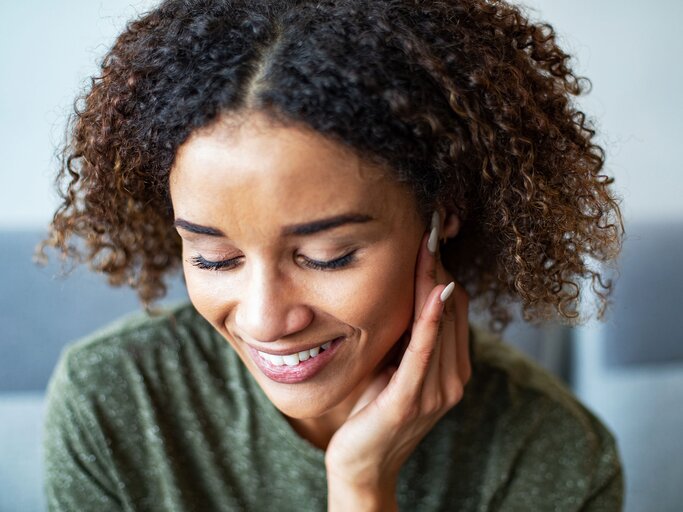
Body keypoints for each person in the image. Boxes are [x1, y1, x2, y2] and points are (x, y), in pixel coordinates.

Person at [39, 0, 625, 510]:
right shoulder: (112, 400)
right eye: (215, 258)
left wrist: (361, 486)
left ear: (442, 214)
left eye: (328, 256)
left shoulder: (555, 454)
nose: (265, 320)